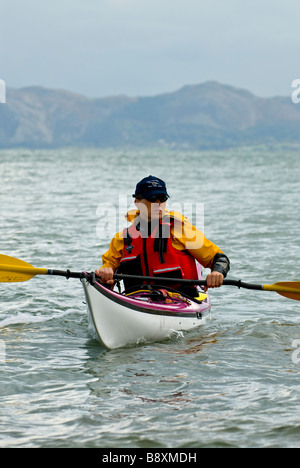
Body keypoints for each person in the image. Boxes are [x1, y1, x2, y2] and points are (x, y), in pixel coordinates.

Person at [95, 175, 230, 295]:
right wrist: (105, 274)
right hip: (137, 299)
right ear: (137, 202)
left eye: (162, 198)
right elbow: (108, 266)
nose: (158, 203)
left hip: (181, 299)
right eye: (152, 198)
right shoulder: (122, 238)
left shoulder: (178, 229)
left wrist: (217, 272)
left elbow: (219, 258)